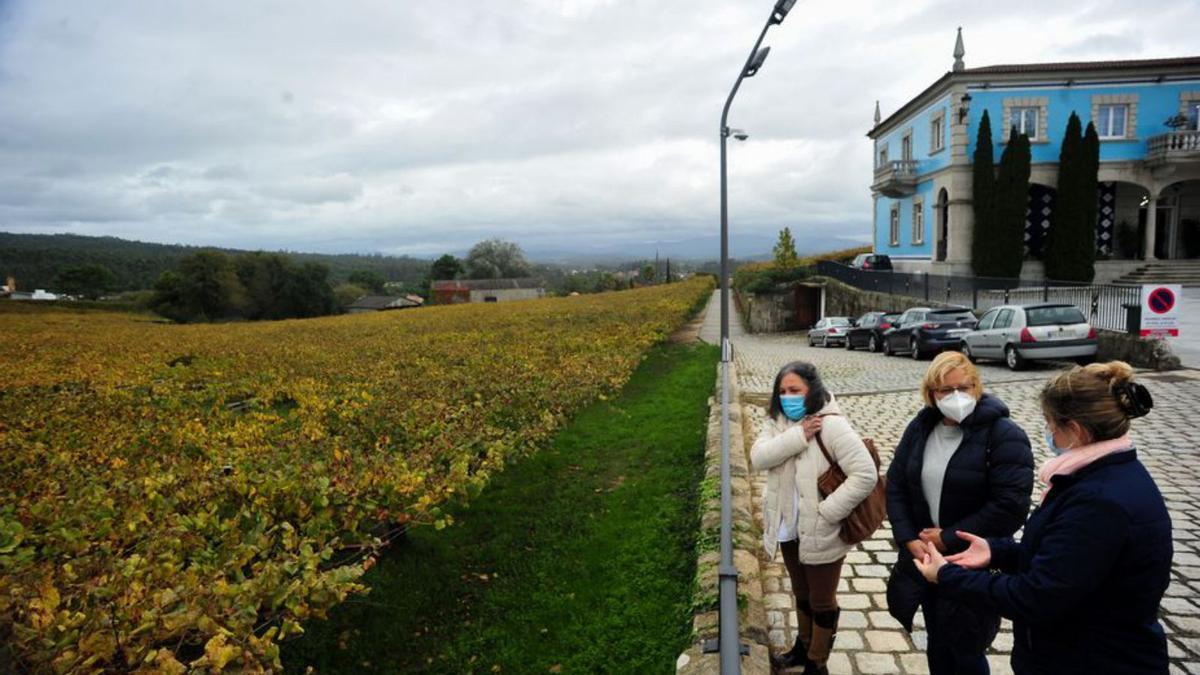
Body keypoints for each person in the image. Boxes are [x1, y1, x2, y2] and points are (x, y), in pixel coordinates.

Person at [913, 361, 1172, 675]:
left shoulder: (1099, 500)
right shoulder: (1102, 477)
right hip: (1078, 649)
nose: (1048, 432)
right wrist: (998, 551)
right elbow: (1067, 562)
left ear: (1074, 430)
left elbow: (1035, 596)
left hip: (1092, 660)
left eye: (1050, 424)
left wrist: (947, 576)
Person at [886, 351, 1034, 675]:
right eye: (945, 390)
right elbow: (896, 484)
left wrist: (947, 537)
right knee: (937, 644)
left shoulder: (1004, 435)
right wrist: (908, 537)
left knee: (966, 650)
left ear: (976, 387)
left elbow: (1010, 506)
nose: (955, 397)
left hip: (972, 562)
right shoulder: (921, 428)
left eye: (963, 388)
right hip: (926, 559)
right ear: (931, 394)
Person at [750, 361, 877, 675]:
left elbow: (865, 474)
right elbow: (758, 458)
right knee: (801, 593)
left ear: (812, 390)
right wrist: (797, 435)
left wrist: (828, 513)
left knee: (822, 601)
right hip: (789, 529)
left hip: (823, 531)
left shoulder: (832, 425)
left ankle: (817, 662)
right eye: (782, 391)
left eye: (795, 390)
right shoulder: (778, 422)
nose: (787, 397)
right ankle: (802, 648)